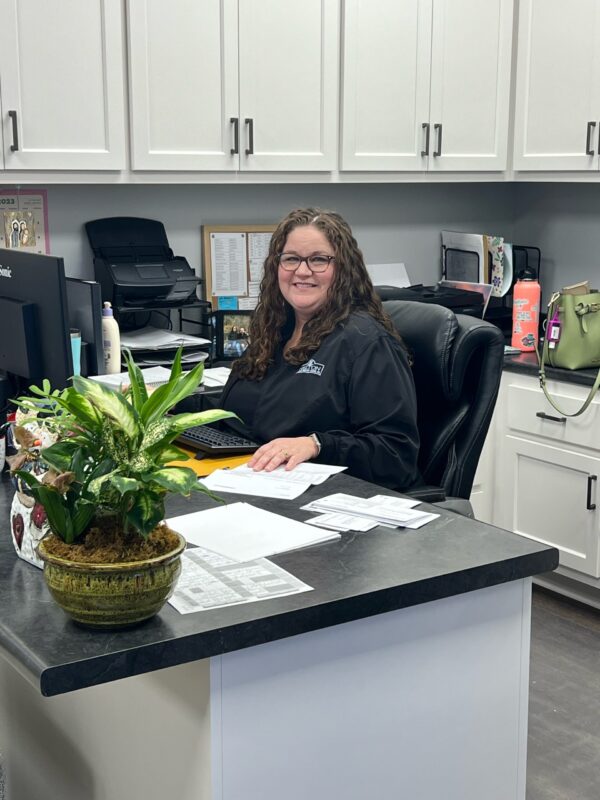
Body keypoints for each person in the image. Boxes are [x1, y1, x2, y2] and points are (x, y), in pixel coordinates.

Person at [220, 207, 420, 490]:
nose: (302, 271)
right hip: (254, 481)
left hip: (325, 500)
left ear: (344, 269)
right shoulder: (277, 330)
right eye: (291, 259)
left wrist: (316, 445)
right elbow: (240, 410)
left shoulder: (366, 341)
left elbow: (396, 455)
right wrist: (169, 402)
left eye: (318, 260)